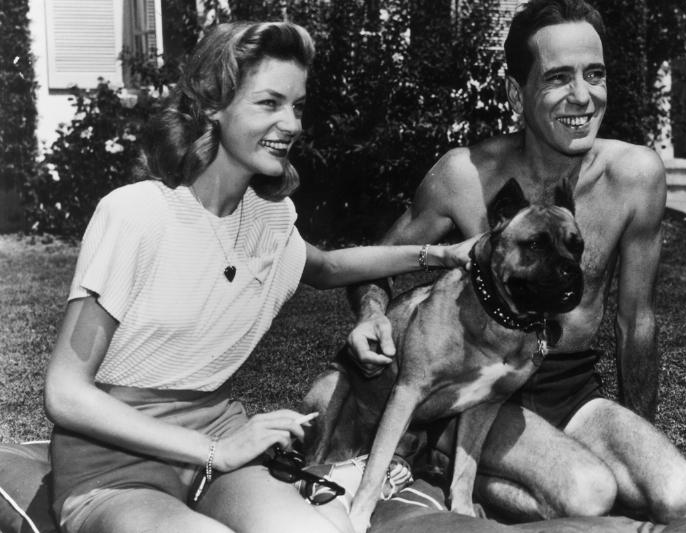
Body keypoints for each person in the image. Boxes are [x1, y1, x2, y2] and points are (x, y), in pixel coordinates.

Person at [43, 21, 473, 533]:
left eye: (297, 106)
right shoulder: (136, 213)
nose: (290, 123)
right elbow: (65, 394)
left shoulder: (269, 218)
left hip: (218, 441)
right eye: (269, 103)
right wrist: (217, 451)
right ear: (212, 105)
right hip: (114, 466)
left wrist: (440, 254)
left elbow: (328, 267)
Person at [344, 0, 686, 525]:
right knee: (587, 495)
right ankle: (440, 453)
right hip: (474, 390)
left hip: (571, 385)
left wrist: (637, 431)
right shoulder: (465, 175)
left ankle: (501, 465)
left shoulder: (635, 175)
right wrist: (370, 316)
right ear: (517, 93)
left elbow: (637, 322)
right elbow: (376, 263)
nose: (582, 96)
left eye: (595, 74)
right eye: (558, 78)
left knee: (680, 496)